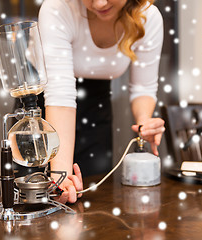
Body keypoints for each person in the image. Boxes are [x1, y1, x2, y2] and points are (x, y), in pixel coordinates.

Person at [38, 0, 165, 204]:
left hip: (96, 107)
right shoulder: (58, 7)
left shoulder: (148, 17)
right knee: (40, 203)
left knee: (94, 202)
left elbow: (143, 88)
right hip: (45, 109)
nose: (99, 3)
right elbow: (60, 95)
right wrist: (60, 179)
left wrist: (144, 122)